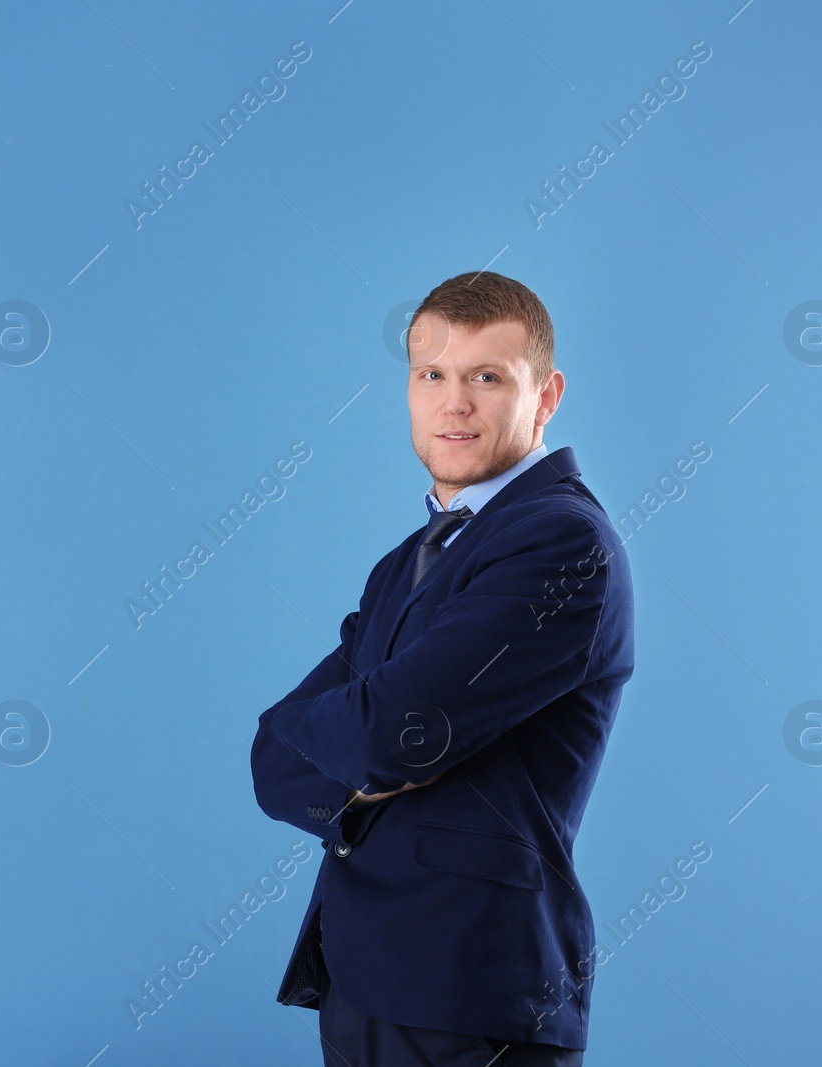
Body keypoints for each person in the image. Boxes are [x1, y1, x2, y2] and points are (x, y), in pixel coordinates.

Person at [250, 271, 635, 1065]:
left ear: (546, 393)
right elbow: (273, 758)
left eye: (486, 377)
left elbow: (386, 733)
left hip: (471, 994)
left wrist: (365, 747)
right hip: (360, 976)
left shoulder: (563, 545)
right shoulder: (408, 561)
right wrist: (360, 758)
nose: (452, 403)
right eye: (432, 375)